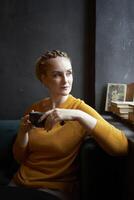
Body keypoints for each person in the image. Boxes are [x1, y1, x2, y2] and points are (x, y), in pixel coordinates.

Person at [10, 50, 128, 200]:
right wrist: (23, 133)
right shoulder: (35, 109)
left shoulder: (79, 109)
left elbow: (121, 147)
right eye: (57, 75)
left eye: (69, 73)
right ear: (44, 79)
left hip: (52, 191)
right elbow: (20, 159)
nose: (66, 80)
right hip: (19, 184)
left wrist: (77, 115)